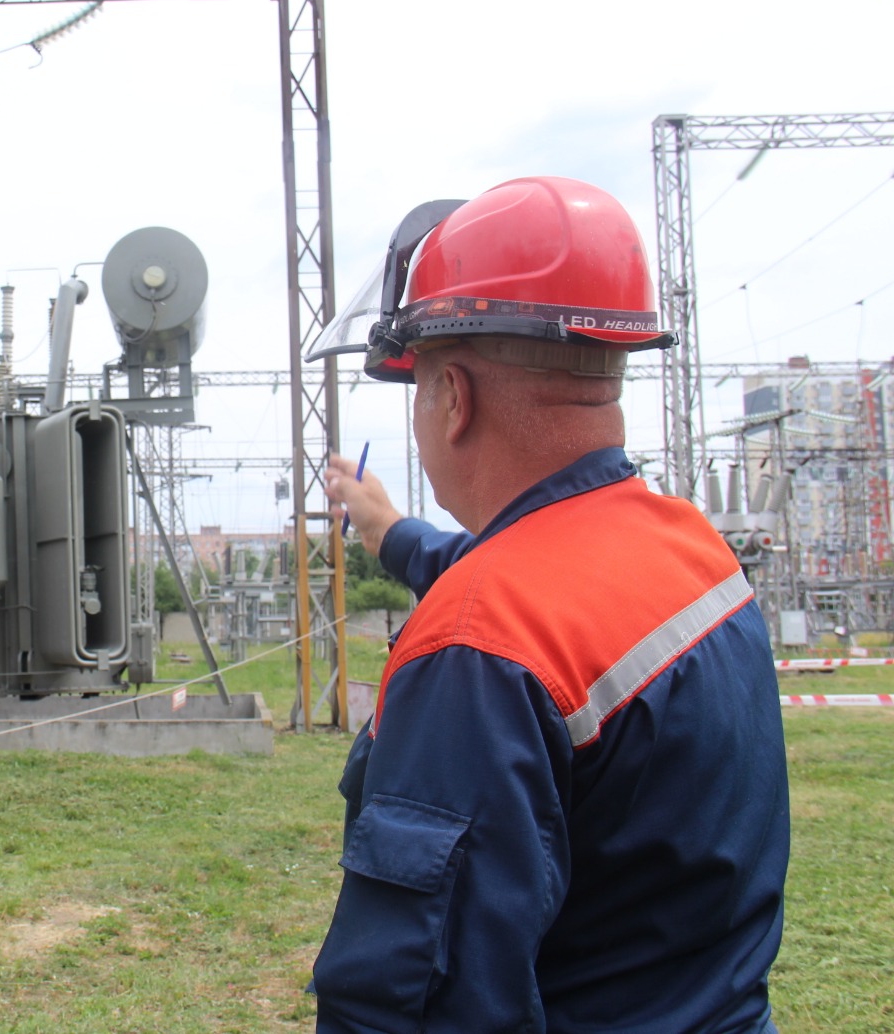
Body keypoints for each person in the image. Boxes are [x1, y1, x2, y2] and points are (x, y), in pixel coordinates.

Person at [305, 176, 789, 1032]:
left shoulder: (478, 645)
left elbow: (419, 1006)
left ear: (453, 398)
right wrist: (386, 527)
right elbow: (520, 572)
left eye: (418, 389)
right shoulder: (688, 551)